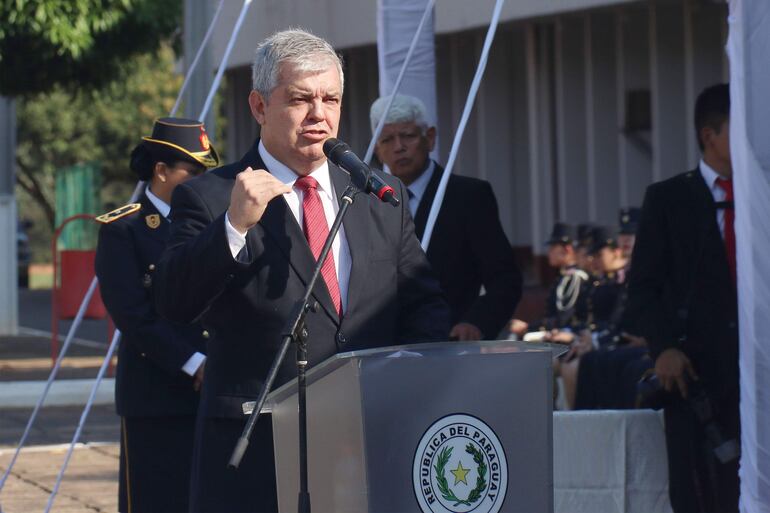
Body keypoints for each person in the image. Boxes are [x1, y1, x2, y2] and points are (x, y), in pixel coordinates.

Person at [154, 30, 449, 512]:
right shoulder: (211, 196)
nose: (319, 114)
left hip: (369, 444)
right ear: (258, 106)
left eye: (330, 99)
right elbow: (173, 301)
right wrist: (233, 226)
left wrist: (421, 388)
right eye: (300, 99)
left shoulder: (377, 195)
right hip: (260, 451)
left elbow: (424, 306)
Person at [94, 117, 219, 512]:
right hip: (156, 395)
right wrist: (193, 362)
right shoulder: (124, 229)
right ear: (161, 171)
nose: (200, 180)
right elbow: (133, 317)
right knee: (156, 501)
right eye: (192, 171)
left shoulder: (212, 223)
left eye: (204, 172)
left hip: (215, 388)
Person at [627, 83, 739, 512]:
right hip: (694, 372)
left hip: (757, 368)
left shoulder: (761, 193)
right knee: (698, 490)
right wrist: (664, 347)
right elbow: (643, 288)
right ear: (710, 135)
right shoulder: (669, 199)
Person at [370, 94, 522, 340]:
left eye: (407, 135)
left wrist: (475, 323)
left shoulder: (469, 197)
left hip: (451, 345)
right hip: (386, 349)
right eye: (387, 139)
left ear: (429, 138)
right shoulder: (366, 202)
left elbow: (505, 279)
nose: (398, 146)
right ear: (377, 149)